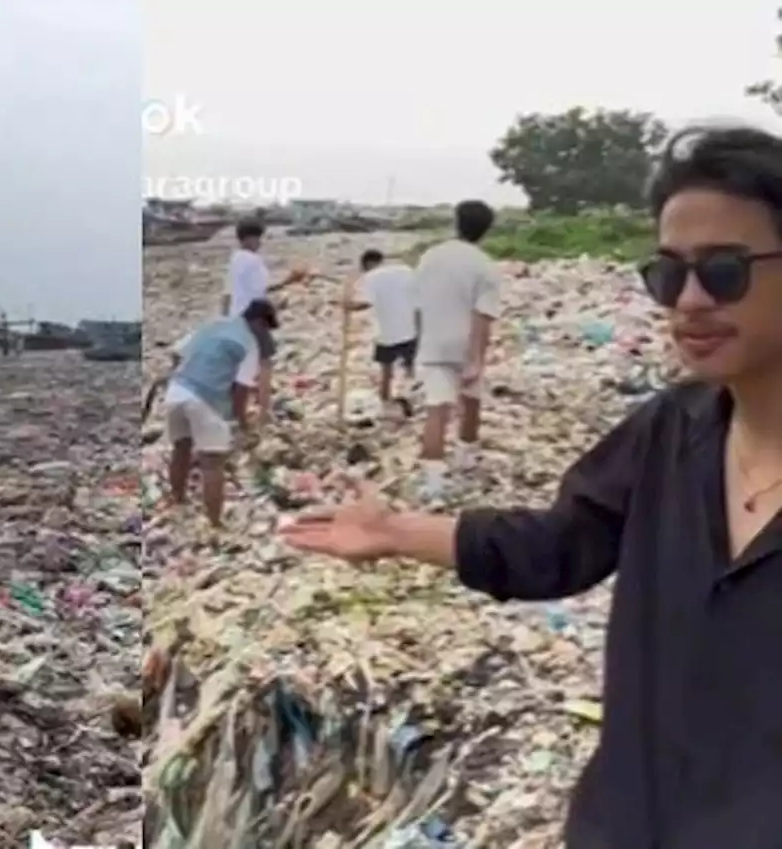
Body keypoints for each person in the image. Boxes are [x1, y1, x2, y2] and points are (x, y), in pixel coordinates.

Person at [280, 124, 782, 848]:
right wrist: (395, 532)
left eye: (725, 269)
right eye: (669, 274)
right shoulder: (672, 429)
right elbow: (561, 544)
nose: (691, 300)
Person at [413, 200, 502, 495]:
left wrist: (418, 339)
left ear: (456, 222)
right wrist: (476, 358)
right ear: (486, 230)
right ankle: (465, 461)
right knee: (472, 401)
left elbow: (417, 303)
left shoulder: (429, 257)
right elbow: (483, 314)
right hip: (465, 342)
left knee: (437, 408)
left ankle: (433, 482)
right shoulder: (484, 265)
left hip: (433, 339)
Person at [164, 299, 279, 528]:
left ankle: (178, 501)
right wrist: (243, 425)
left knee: (181, 448)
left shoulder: (215, 324)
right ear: (257, 322)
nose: (265, 335)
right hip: (205, 400)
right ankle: (215, 524)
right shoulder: (248, 344)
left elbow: (176, 354)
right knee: (212, 463)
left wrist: (185, 372)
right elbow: (241, 392)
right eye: (266, 328)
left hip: (176, 391)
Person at [222, 218, 309, 422]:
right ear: (251, 238)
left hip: (236, 317)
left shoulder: (235, 259)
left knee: (241, 366)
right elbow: (262, 290)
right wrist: (290, 280)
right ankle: (263, 411)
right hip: (253, 316)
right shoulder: (253, 260)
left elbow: (227, 293)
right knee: (265, 362)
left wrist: (224, 319)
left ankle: (237, 412)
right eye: (258, 238)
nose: (259, 243)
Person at [350, 248, 418, 409]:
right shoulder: (405, 270)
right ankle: (413, 394)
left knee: (386, 369)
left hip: (387, 333)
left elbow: (364, 303)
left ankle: (385, 399)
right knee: (410, 365)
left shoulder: (370, 278)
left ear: (367, 264)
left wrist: (347, 305)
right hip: (410, 328)